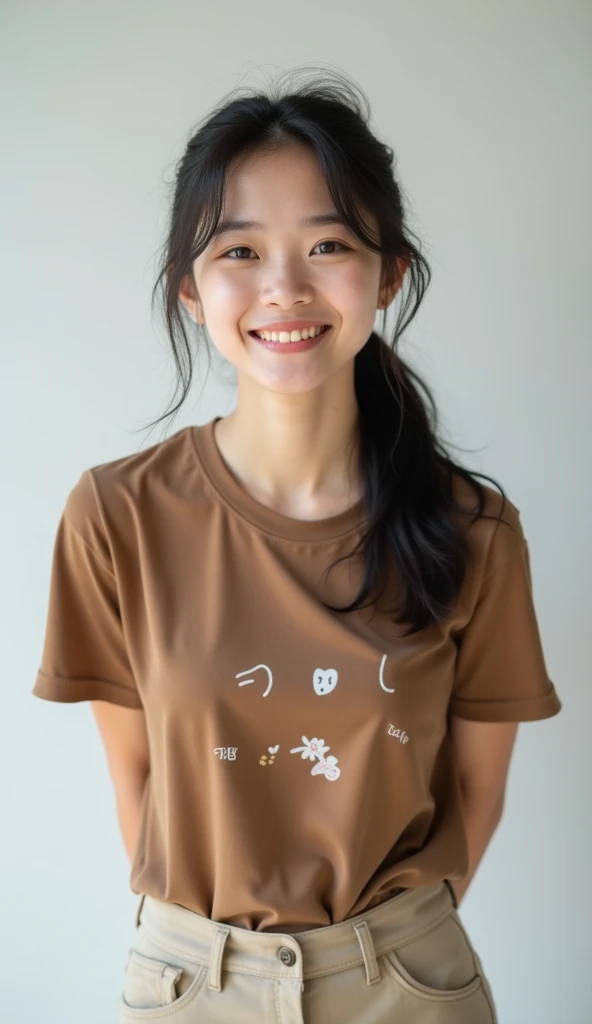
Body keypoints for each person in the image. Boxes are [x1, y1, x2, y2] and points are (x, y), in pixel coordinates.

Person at [33, 66, 562, 1023]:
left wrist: (379, 960)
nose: (284, 288)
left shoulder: (472, 532)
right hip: (192, 982)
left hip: (407, 985)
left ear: (389, 271)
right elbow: (141, 782)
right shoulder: (116, 516)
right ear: (190, 291)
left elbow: (477, 792)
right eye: (239, 249)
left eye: (328, 243)